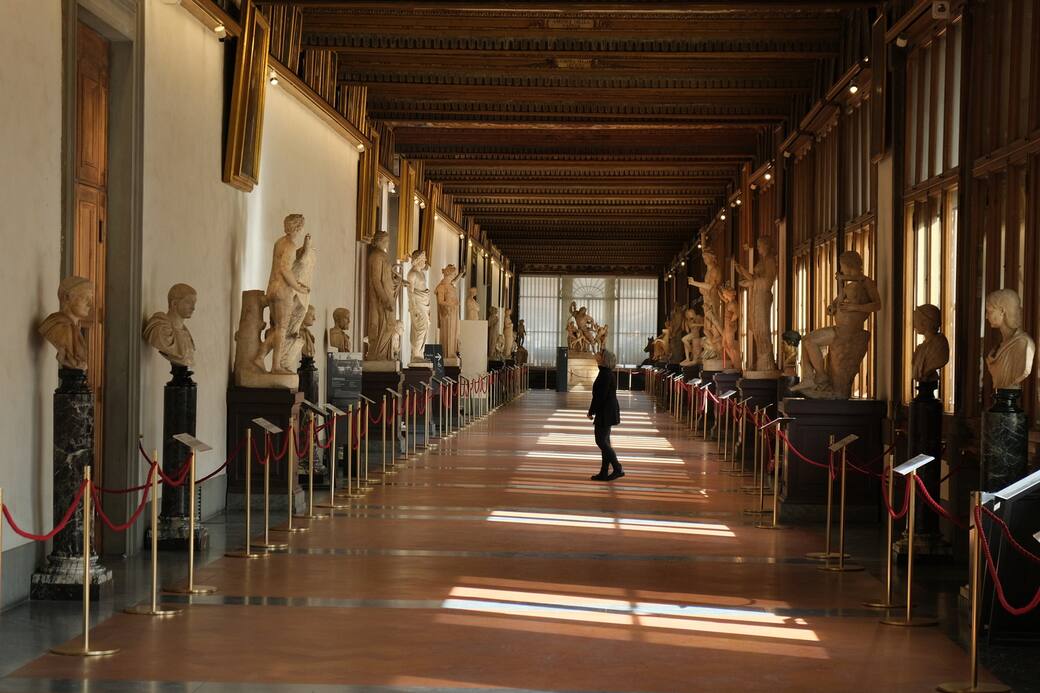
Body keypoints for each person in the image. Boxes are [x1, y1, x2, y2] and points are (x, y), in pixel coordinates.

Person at [587, 349, 623, 481]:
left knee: (601, 441)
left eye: (600, 354)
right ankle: (603, 472)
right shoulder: (604, 372)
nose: (596, 354)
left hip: (606, 411)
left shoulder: (605, 374)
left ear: (604, 359)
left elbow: (599, 397)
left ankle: (618, 468)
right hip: (607, 410)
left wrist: (591, 411)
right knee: (605, 441)